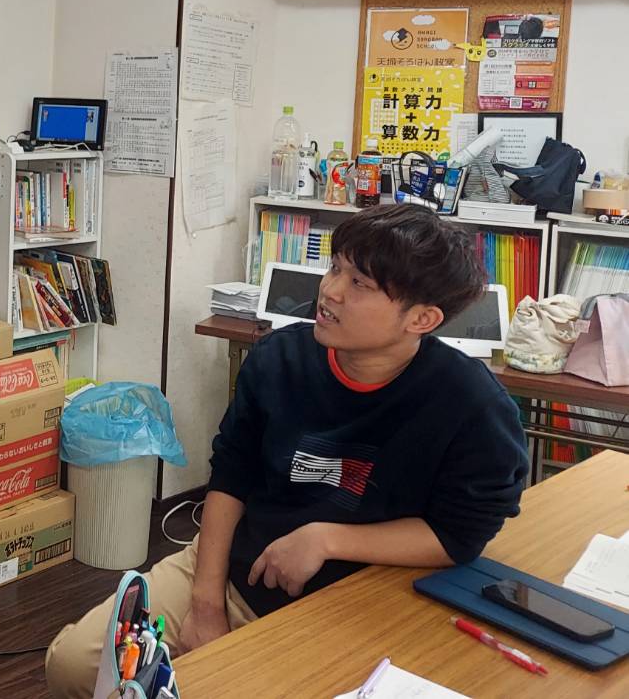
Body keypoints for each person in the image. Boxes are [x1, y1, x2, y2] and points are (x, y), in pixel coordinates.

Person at [46, 203, 528, 697]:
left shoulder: (472, 405)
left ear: (422, 318)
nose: (330, 291)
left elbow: (458, 537)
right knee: (73, 664)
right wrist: (207, 604)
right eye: (335, 267)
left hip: (360, 602)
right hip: (237, 572)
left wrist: (326, 539)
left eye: (359, 283)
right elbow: (231, 475)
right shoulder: (280, 358)